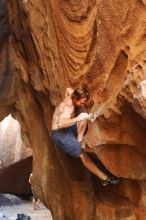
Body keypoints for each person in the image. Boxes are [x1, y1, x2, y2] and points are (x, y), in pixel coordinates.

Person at [51, 84, 120, 186]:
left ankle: (79, 141)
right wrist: (78, 118)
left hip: (68, 129)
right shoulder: (68, 107)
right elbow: (60, 124)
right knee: (82, 155)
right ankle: (105, 179)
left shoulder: (72, 94)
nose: (83, 105)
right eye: (81, 103)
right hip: (59, 135)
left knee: (83, 120)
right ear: (75, 98)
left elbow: (68, 89)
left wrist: (81, 117)